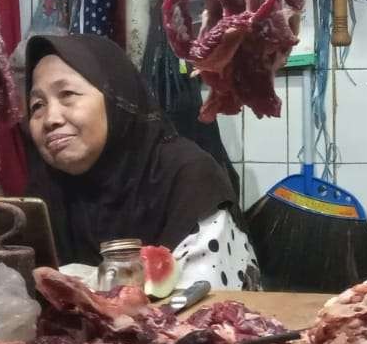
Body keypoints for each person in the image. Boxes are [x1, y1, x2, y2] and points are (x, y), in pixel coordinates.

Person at [22, 33, 259, 290]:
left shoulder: (189, 176)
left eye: (67, 93)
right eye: (37, 105)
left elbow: (206, 303)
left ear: (115, 97)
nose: (50, 118)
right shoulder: (44, 191)